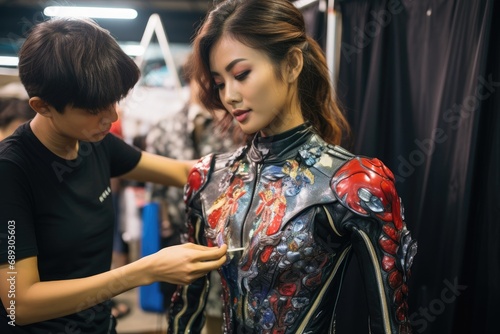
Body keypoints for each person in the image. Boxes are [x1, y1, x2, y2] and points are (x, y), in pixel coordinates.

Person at [167, 1, 417, 333]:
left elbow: (389, 324)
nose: (229, 95)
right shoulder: (208, 178)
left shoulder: (353, 185)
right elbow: (188, 304)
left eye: (241, 74)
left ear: (292, 64)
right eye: (220, 82)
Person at [0, 17, 227, 334]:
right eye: (94, 109)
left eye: (114, 102)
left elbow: (185, 171)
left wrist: (257, 163)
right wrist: (144, 270)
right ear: (43, 106)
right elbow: (18, 304)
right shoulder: (12, 172)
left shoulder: (95, 143)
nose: (112, 116)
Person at [146, 54, 240, 332]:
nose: (208, 87)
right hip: (181, 241)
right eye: (203, 78)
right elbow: (157, 191)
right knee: (185, 315)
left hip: (230, 244)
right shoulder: (165, 127)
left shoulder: (238, 126)